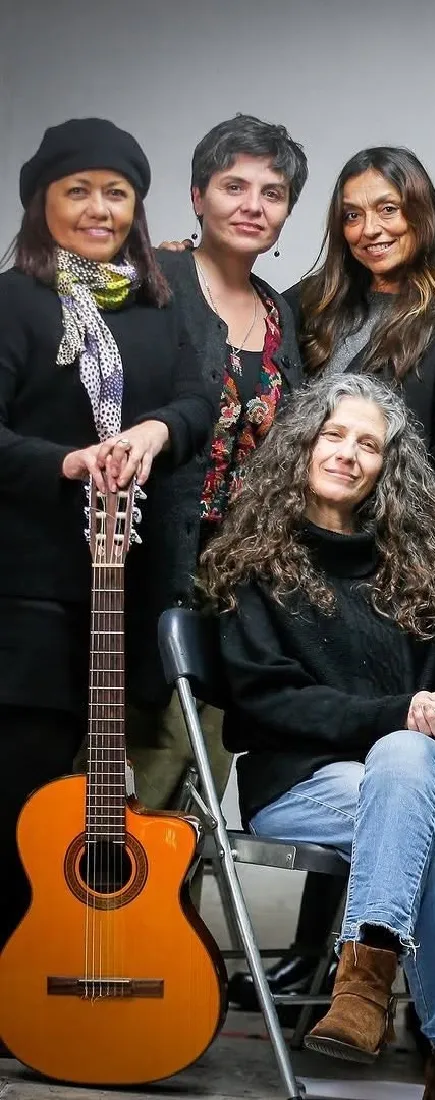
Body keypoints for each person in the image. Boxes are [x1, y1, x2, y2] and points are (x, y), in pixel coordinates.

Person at [200, 372, 435, 1099]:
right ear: (303, 444)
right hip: (298, 785)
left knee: (405, 758)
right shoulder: (250, 562)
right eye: (334, 435)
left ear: (387, 467)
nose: (347, 453)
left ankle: (363, 985)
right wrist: (400, 714)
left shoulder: (417, 563)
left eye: (368, 444)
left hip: (422, 770)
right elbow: (269, 701)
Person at [0, 118, 213, 950]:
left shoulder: (156, 305)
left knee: (112, 808)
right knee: (20, 810)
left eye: (116, 193)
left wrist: (156, 431)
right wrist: (66, 462)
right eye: (78, 191)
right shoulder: (14, 301)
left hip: (127, 592)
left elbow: (196, 401)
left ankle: (93, 971)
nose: (99, 209)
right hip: (29, 602)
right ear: (41, 202)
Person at [122, 114, 309, 815]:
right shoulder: (151, 279)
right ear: (198, 196)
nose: (253, 205)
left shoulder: (280, 314)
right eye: (234, 186)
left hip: (232, 586)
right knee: (116, 772)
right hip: (136, 565)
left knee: (195, 785)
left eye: (272, 193)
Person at [290, 145, 435, 574]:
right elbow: (242, 316)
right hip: (289, 533)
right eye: (352, 215)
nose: (370, 229)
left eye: (388, 209)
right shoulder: (312, 300)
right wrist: (189, 264)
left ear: (421, 214)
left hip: (379, 550)